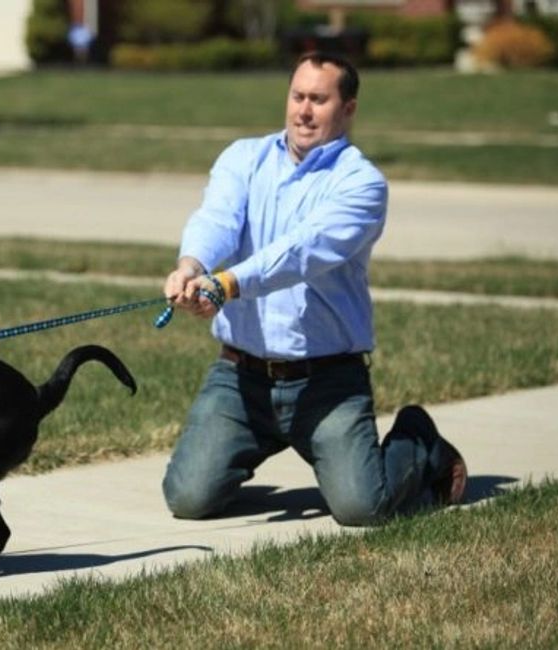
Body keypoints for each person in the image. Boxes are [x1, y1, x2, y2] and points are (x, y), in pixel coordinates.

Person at [161, 51, 466, 525]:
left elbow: (303, 251)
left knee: (364, 508)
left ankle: (419, 441)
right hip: (242, 376)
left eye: (319, 100)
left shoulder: (361, 184)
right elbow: (217, 219)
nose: (304, 110)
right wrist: (190, 265)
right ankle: (242, 449)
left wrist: (227, 283)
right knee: (188, 499)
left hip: (328, 382)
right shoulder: (244, 157)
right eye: (297, 96)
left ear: (348, 109)